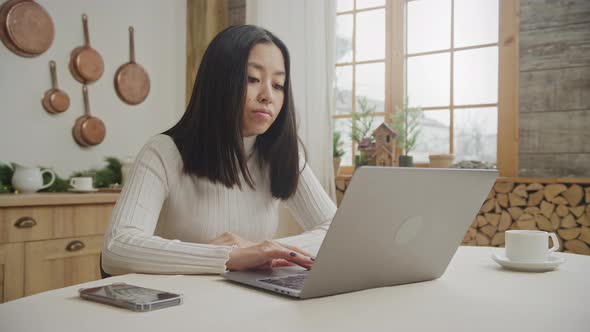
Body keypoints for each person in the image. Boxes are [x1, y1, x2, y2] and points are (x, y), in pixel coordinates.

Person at [101, 25, 337, 275]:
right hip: (178, 305)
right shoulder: (163, 152)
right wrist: (227, 257)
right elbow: (117, 248)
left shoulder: (281, 155)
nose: (268, 95)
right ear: (219, 83)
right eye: (252, 79)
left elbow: (337, 231)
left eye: (278, 85)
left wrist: (263, 250)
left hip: (249, 302)